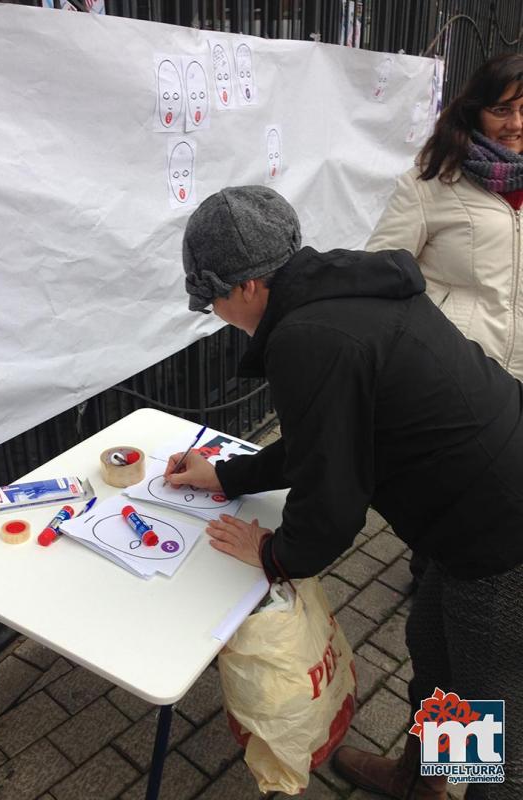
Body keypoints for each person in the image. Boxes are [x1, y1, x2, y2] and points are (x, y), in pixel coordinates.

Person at [165, 185, 523, 799]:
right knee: (432, 646)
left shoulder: (308, 339)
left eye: (213, 299)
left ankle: (477, 785)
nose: (217, 314)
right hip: (474, 509)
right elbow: (326, 443)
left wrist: (274, 555)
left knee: (488, 701)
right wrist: (225, 475)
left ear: (247, 287)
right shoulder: (338, 293)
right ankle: (422, 781)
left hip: (500, 530)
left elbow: (331, 502)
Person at [367, 53, 523, 588]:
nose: (517, 124)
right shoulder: (434, 180)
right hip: (458, 372)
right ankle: (429, 571)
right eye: (503, 109)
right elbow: (383, 271)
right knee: (448, 490)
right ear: (476, 111)